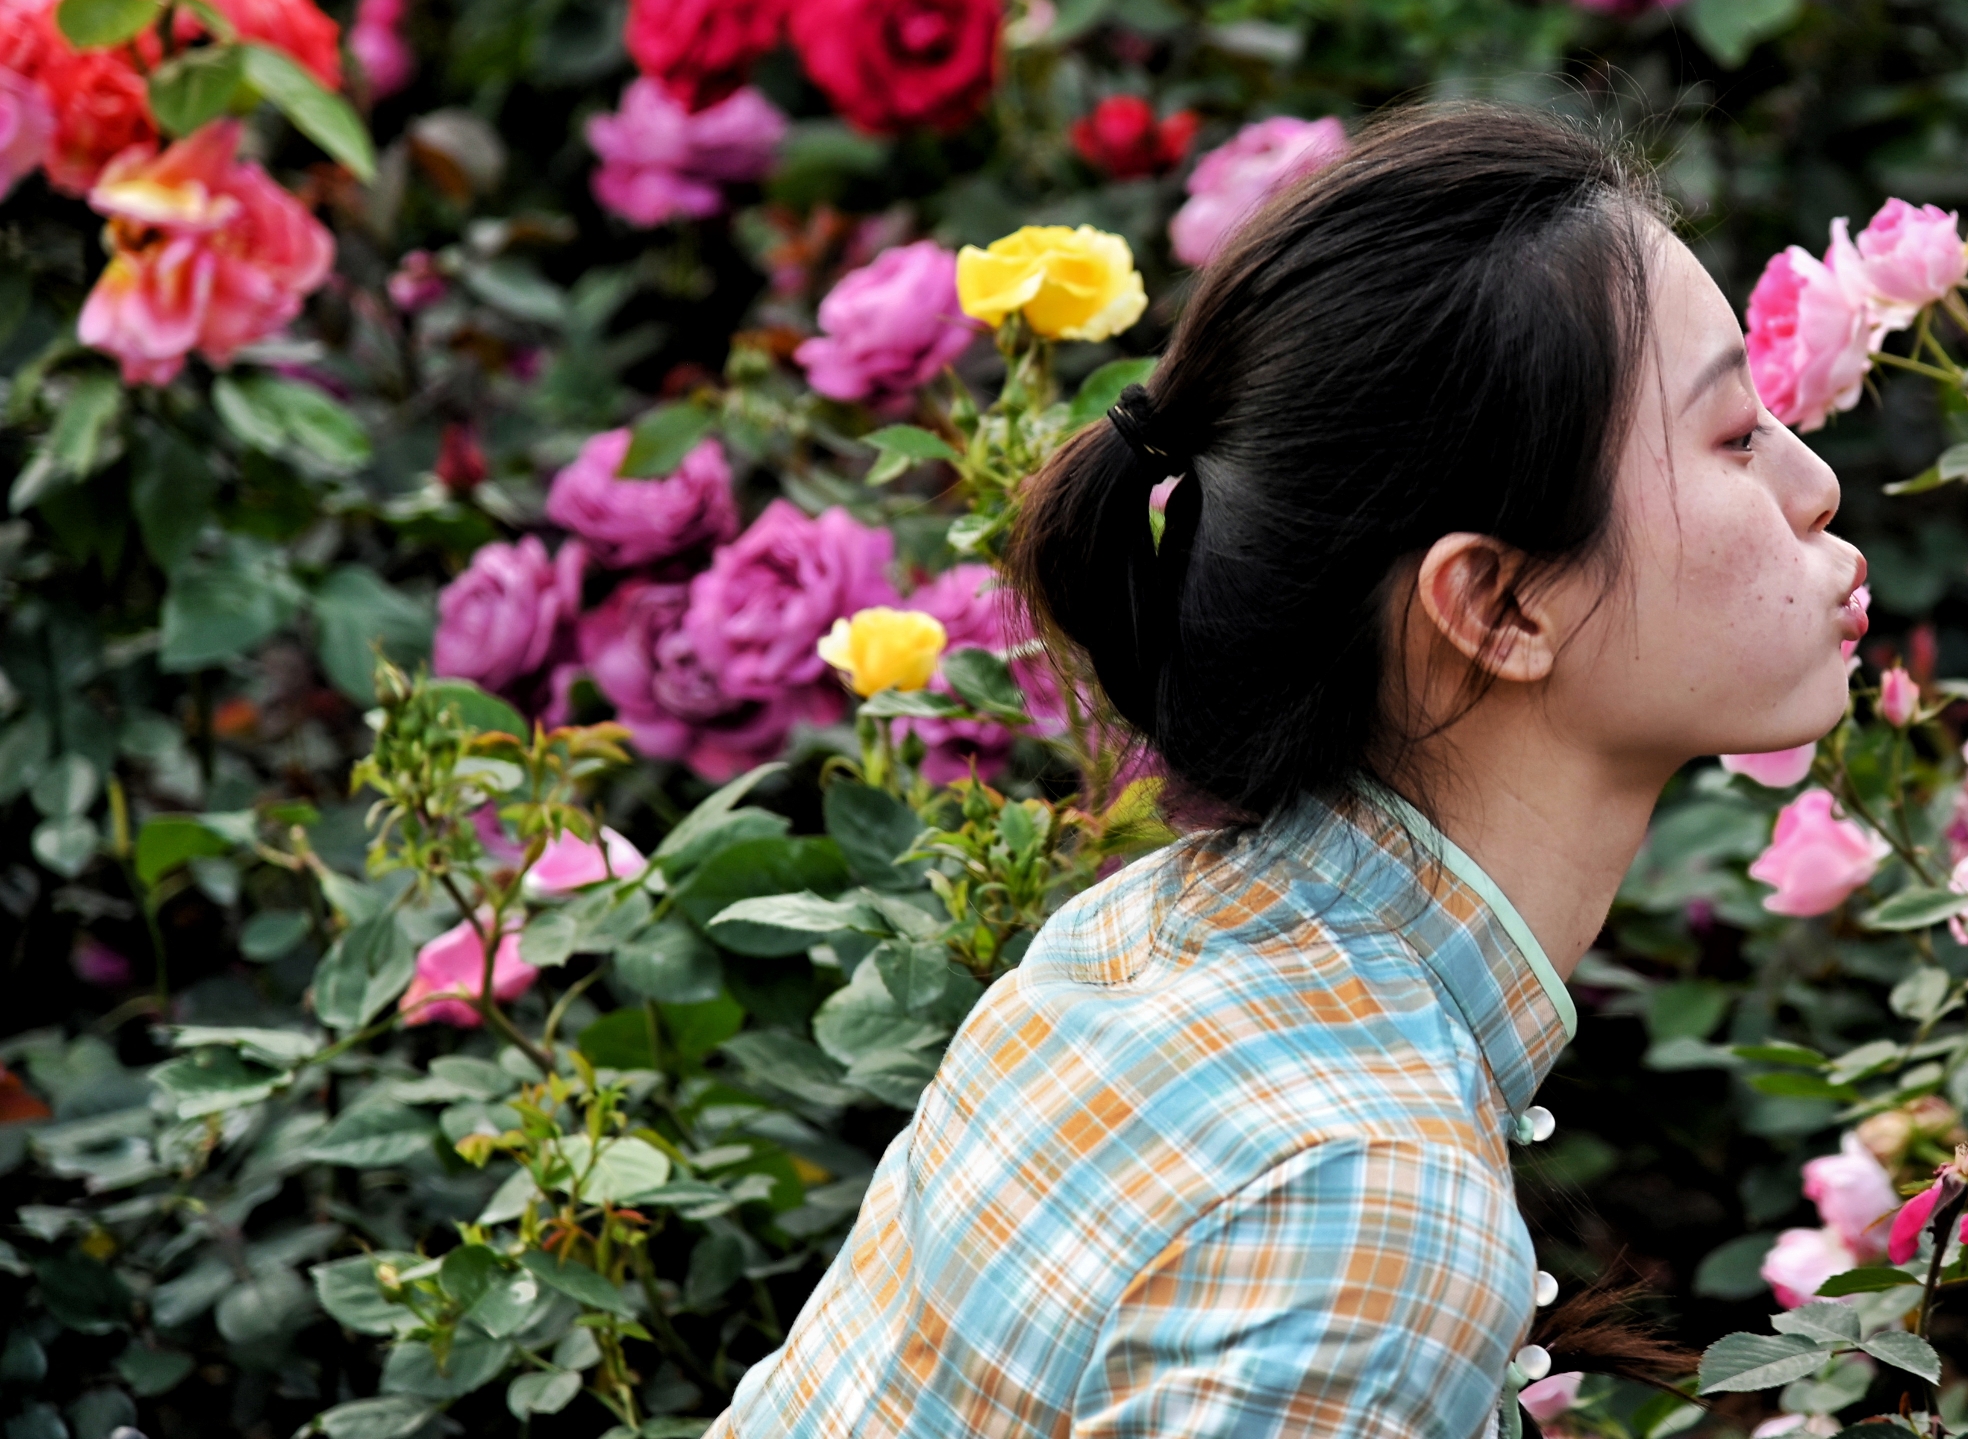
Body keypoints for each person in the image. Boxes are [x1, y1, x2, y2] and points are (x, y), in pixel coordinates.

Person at [703, 105, 1867, 1437]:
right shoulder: (1367, 1189)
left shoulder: (1159, 932)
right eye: (1732, 436)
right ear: (1496, 605)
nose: (1815, 485)